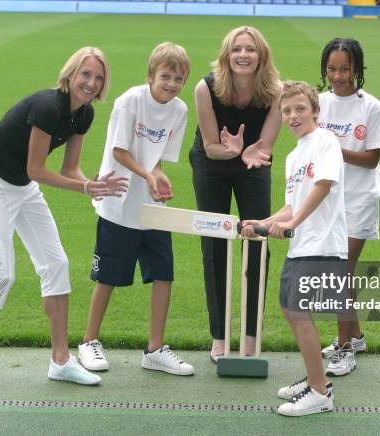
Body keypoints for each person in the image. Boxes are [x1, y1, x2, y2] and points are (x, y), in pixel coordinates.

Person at [0, 47, 128, 388]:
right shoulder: (47, 106)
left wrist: (90, 184)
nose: (91, 83)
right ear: (70, 74)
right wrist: (84, 189)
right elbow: (36, 169)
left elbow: (69, 168)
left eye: (98, 77)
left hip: (22, 186)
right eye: (85, 74)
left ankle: (61, 360)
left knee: (56, 264)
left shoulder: (85, 115)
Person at [78, 43, 195, 376]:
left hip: (151, 206)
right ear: (150, 75)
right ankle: (89, 341)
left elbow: (156, 156)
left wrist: (158, 176)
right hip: (118, 202)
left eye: (178, 78)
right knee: (108, 277)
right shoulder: (131, 100)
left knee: (163, 274)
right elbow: (119, 151)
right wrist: (147, 174)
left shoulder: (180, 110)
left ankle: (155, 349)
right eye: (165, 76)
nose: (171, 84)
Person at [242, 80, 347, 416]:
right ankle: (313, 377)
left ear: (315, 111)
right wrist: (262, 222)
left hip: (322, 242)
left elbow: (323, 186)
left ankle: (321, 391)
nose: (293, 115)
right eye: (286, 111)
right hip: (301, 245)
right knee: (291, 310)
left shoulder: (326, 140)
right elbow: (290, 207)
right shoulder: (291, 156)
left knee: (300, 312)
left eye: (300, 109)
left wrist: (292, 224)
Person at [189, 26, 281, 361]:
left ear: (262, 56)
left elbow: (266, 148)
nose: (243, 55)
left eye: (251, 49)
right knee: (215, 242)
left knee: (258, 240)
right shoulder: (206, 88)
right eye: (237, 49)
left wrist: (248, 154)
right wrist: (233, 151)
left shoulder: (275, 92)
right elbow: (212, 147)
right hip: (213, 162)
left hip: (252, 164)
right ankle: (219, 336)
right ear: (227, 55)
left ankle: (251, 334)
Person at [316, 38, 380, 376]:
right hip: (327, 198)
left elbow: (372, 160)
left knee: (341, 270)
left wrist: (334, 148)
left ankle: (344, 349)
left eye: (345, 69)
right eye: (332, 68)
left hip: (359, 198)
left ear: (357, 69)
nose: (338, 76)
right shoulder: (317, 104)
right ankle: (354, 335)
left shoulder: (371, 106)